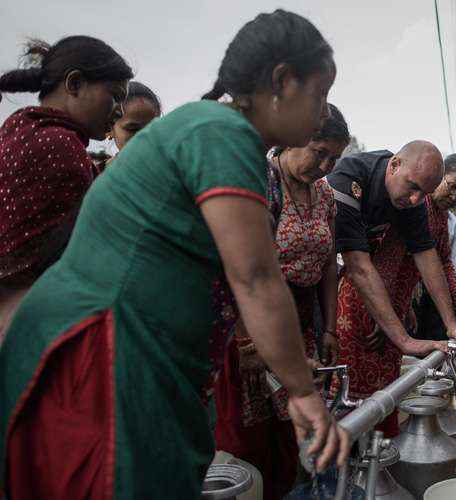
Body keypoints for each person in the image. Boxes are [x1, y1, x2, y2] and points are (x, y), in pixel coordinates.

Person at [0, 10, 349, 499]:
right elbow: (254, 278)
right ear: (282, 81)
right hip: (101, 361)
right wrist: (303, 394)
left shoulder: (227, 140)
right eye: (320, 93)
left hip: (141, 361)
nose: (322, 111)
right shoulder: (219, 132)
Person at [213, 104, 350, 500]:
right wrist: (246, 342)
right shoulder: (260, 182)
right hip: (250, 325)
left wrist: (328, 328)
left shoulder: (325, 195)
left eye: (334, 158)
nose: (324, 164)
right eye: (318, 151)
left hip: (302, 325)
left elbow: (328, 263)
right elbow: (238, 267)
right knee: (250, 440)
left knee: (295, 431)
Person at [328, 141, 456, 437]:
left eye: (423, 193)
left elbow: (428, 255)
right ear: (394, 165)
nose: (415, 198)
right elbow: (359, 265)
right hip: (344, 294)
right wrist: (403, 338)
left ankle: (375, 457)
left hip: (385, 303)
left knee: (384, 394)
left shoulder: (413, 199)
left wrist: (451, 323)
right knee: (346, 396)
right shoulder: (350, 178)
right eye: (412, 187)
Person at [0, 36, 133, 344]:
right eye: (115, 96)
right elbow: (80, 258)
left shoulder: (18, 129)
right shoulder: (61, 147)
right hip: (27, 325)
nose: (118, 110)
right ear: (74, 84)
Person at [413, 153, 456, 341]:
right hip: (403, 297)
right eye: (452, 186)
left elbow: (445, 261)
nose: (455, 196)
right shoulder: (415, 205)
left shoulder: (443, 218)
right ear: (438, 175)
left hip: (429, 298)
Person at [107, 80, 161, 157]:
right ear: (110, 130)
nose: (145, 137)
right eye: (133, 129)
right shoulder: (101, 168)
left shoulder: (176, 166)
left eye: (152, 129)